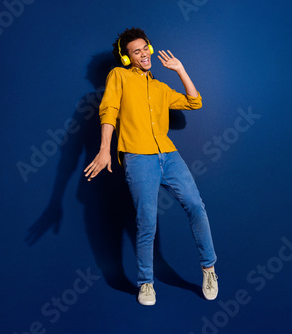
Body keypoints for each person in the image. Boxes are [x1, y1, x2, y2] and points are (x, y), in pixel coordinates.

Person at [83, 27, 218, 306]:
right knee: (147, 221)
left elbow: (195, 101)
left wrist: (180, 70)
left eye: (146, 48)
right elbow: (108, 110)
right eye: (136, 51)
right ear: (126, 57)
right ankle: (146, 283)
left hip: (168, 155)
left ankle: (209, 270)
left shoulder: (160, 88)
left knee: (196, 205)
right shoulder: (118, 76)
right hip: (137, 156)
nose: (143, 54)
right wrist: (104, 149)